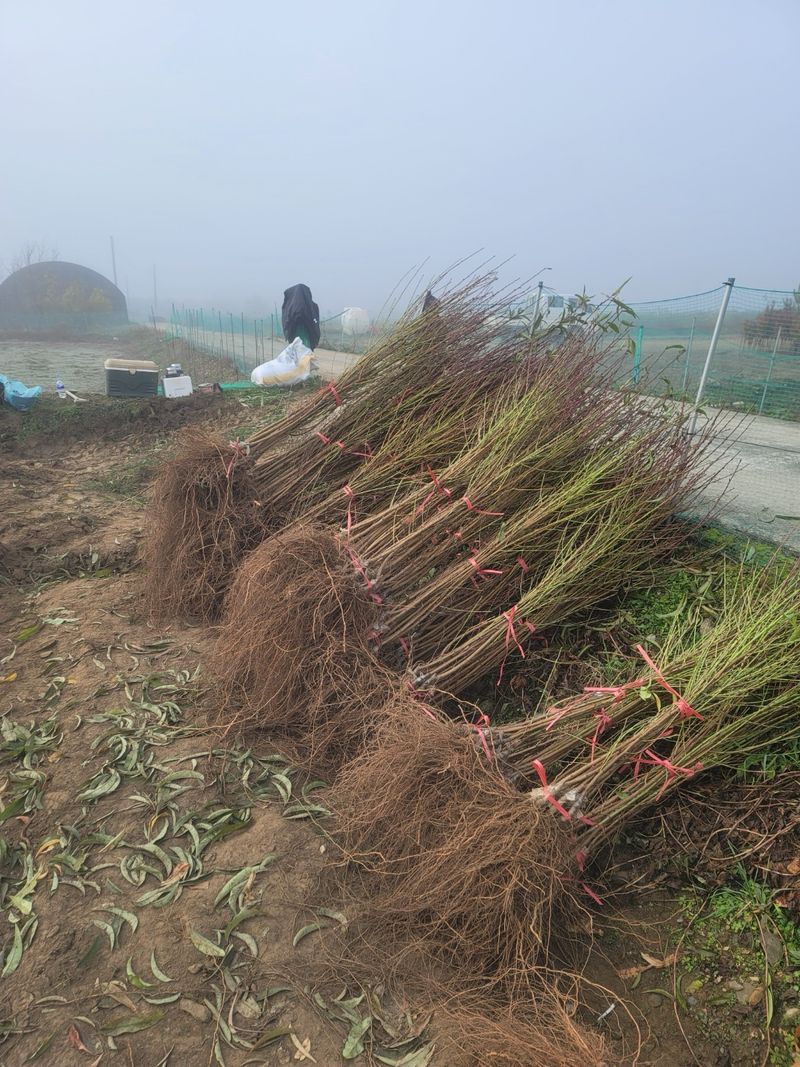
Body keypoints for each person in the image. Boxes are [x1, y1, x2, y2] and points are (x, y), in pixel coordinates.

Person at [281, 283, 321, 351]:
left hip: (298, 337)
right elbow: (315, 325)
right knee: (304, 354)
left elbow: (287, 322)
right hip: (306, 338)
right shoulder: (312, 306)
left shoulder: (290, 307)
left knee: (299, 353)